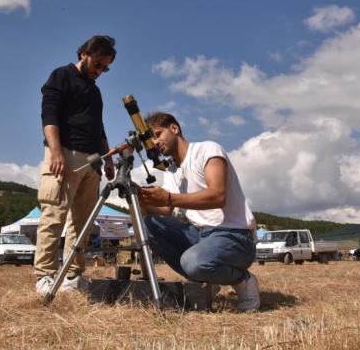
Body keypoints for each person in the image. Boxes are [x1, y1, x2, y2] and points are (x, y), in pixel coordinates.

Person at [137, 112, 260, 311]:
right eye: (151, 140)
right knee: (148, 224)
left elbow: (218, 196)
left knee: (192, 262)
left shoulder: (207, 149)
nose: (155, 142)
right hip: (200, 236)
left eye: (158, 134)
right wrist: (138, 198)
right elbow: (165, 211)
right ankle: (206, 276)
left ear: (174, 128)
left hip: (235, 236)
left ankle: (243, 280)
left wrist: (168, 197)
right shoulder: (172, 171)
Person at [34, 35, 117, 296]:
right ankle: (44, 276)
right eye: (98, 64)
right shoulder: (61, 76)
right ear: (85, 53)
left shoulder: (95, 91)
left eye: (105, 68)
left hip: (92, 161)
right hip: (65, 155)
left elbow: (99, 127)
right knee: (54, 215)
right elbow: (49, 115)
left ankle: (73, 275)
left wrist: (108, 157)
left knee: (82, 223)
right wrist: (56, 152)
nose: (100, 71)